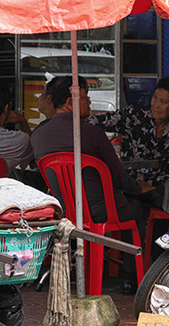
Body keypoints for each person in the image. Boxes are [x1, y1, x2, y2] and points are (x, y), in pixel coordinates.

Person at [31, 76, 151, 222]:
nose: (89, 102)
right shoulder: (93, 132)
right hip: (102, 211)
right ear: (70, 103)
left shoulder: (37, 136)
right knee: (139, 207)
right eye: (85, 98)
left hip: (64, 212)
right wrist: (139, 188)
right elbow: (118, 177)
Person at [96, 76, 169, 183]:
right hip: (130, 183)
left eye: (163, 102)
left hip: (164, 186)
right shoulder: (134, 116)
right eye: (155, 98)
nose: (156, 105)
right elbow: (97, 123)